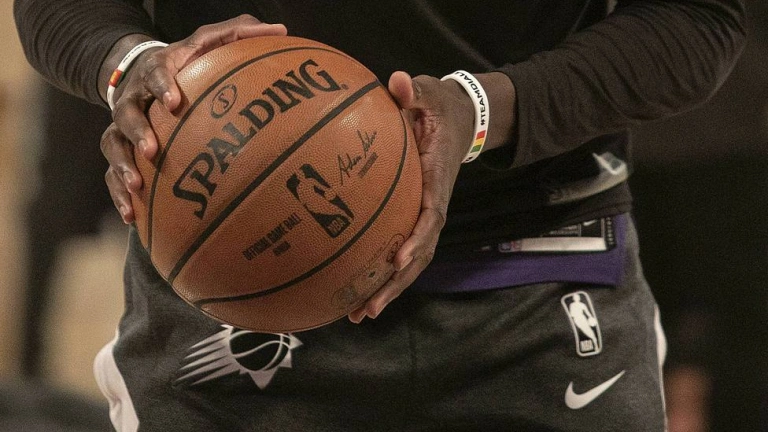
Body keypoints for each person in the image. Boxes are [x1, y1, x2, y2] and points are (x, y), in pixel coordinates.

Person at [14, 0, 746, 430]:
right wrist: (128, 64)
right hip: (235, 282)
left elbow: (697, 19)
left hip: (538, 274)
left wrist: (482, 107)